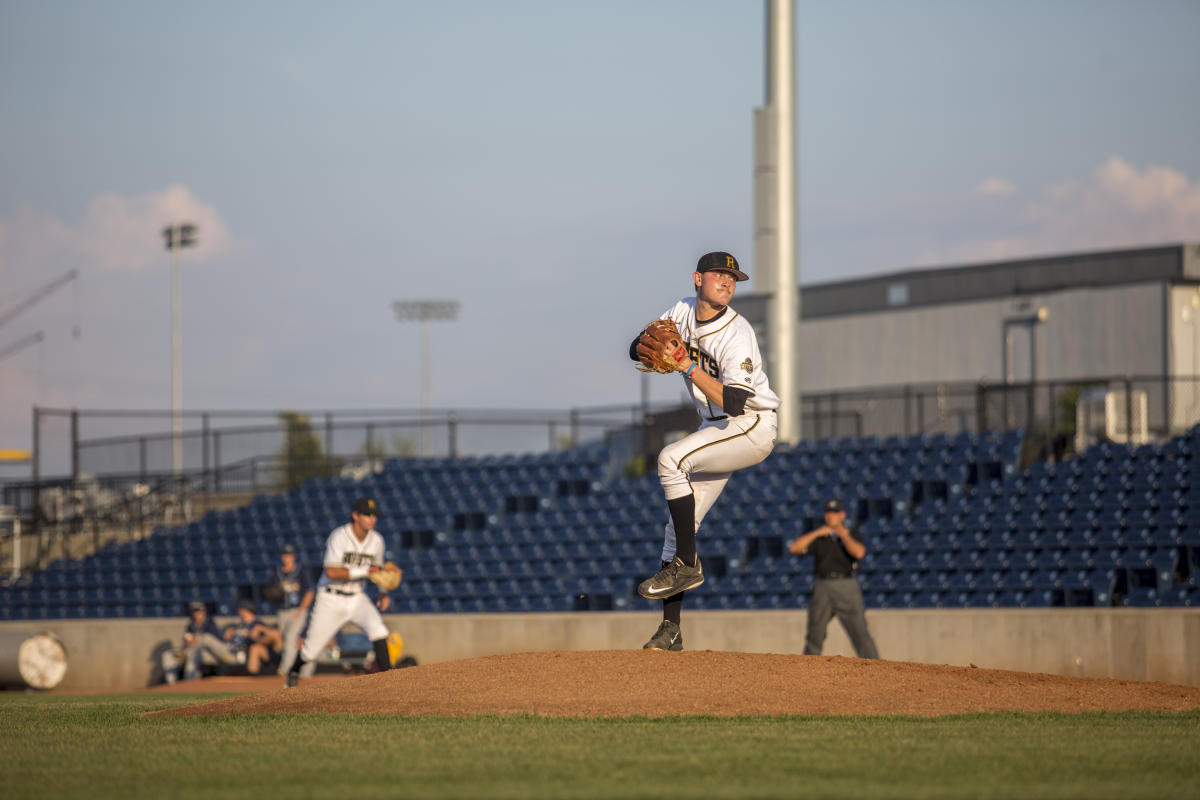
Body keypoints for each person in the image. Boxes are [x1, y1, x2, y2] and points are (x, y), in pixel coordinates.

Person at [629, 251, 779, 651]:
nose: (728, 282)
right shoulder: (680, 311)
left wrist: (686, 367)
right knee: (676, 530)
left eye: (733, 278)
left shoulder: (737, 331)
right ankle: (670, 630)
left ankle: (688, 566)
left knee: (669, 459)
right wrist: (648, 346)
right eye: (719, 275)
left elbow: (734, 403)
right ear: (698, 279)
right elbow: (636, 348)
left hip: (751, 425)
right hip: (715, 427)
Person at [284, 497, 397, 687]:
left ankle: (389, 681)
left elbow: (378, 570)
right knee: (311, 651)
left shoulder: (377, 541)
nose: (372, 518)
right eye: (367, 515)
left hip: (357, 597)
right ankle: (293, 671)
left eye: (374, 515)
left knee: (379, 630)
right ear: (355, 516)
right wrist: (365, 572)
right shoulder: (339, 536)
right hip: (331, 598)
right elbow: (331, 571)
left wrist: (383, 592)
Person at [787, 499, 880, 659]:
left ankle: (876, 668)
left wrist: (843, 535)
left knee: (860, 633)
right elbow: (794, 548)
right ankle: (807, 670)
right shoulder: (820, 536)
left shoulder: (851, 533)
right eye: (828, 513)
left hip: (846, 585)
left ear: (842, 515)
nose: (831, 516)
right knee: (815, 633)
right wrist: (817, 533)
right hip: (822, 585)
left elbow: (859, 553)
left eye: (835, 513)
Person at [267, 543, 316, 679]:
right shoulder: (277, 573)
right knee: (286, 641)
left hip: (297, 610)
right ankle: (296, 670)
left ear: (293, 557)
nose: (286, 557)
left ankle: (285, 670)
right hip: (282, 611)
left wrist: (301, 610)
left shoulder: (301, 572)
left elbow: (309, 592)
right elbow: (270, 593)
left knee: (291, 639)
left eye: (289, 555)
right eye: (284, 555)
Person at [160, 601, 239, 683]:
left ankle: (189, 682)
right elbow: (187, 641)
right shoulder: (191, 625)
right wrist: (186, 646)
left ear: (203, 611)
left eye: (198, 611)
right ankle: (172, 685)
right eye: (194, 611)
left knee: (196, 650)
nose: (196, 613)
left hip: (209, 654)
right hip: (189, 650)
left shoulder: (210, 623)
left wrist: (195, 640)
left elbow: (212, 642)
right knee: (167, 655)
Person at [223, 601, 283, 675]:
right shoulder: (240, 625)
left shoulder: (257, 625)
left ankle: (252, 678)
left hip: (247, 652)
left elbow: (271, 638)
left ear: (245, 610)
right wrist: (230, 634)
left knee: (255, 648)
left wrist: (254, 635)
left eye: (241, 610)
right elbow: (231, 639)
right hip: (233, 649)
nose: (239, 612)